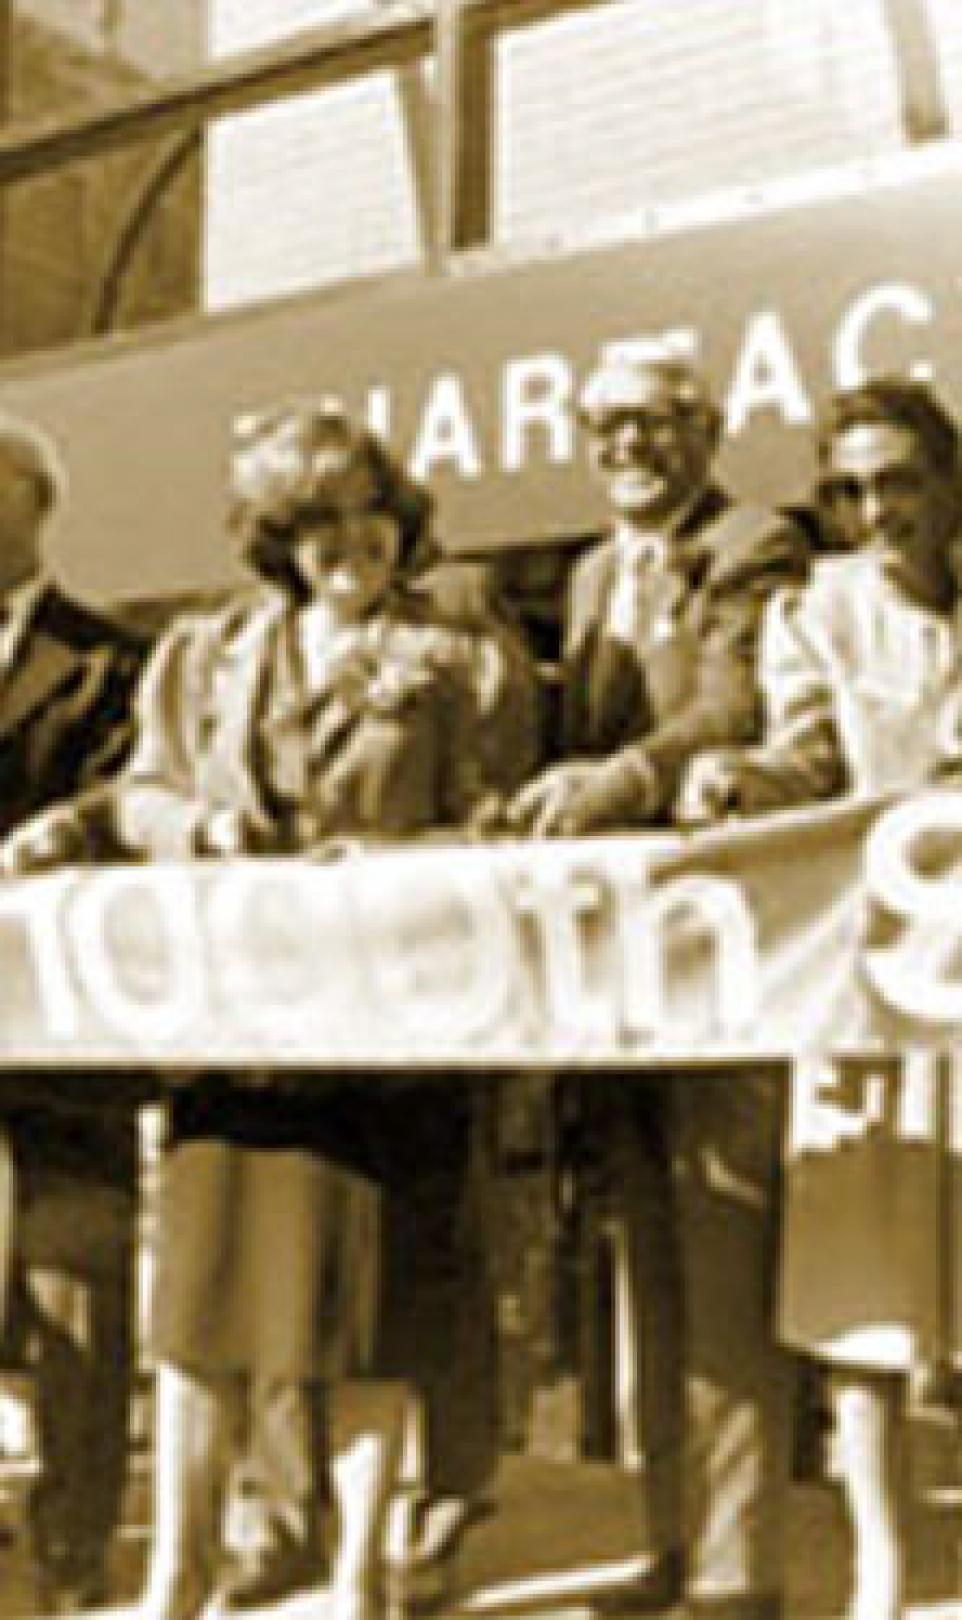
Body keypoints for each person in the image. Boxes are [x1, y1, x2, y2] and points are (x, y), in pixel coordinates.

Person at [7, 397, 536, 1620]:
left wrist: (410, 859)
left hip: (388, 1045)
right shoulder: (207, 653)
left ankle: (357, 1581)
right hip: (234, 1041)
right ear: (276, 540)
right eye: (314, 524)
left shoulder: (464, 654)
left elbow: (502, 825)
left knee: (368, 1333)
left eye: (367, 515)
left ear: (401, 521)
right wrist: (192, 826)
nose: (348, 543)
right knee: (197, 1326)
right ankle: (176, 1575)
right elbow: (141, 790)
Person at [510, 339, 807, 1620]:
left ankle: (739, 1569)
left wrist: (617, 782)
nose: (623, 444)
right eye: (603, 423)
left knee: (722, 1260)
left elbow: (730, 706)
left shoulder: (750, 544)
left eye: (649, 421)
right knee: (645, 1273)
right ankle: (669, 1541)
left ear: (704, 427)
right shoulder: (582, 574)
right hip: (611, 977)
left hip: (725, 962)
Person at [678, 374, 962, 1620]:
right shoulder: (818, 612)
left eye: (895, 480)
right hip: (872, 981)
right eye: (845, 488)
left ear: (946, 482)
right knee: (863, 1291)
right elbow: (802, 756)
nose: (871, 509)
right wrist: (738, 781)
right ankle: (883, 1572)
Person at [0, 414, 145, 1612]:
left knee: (77, 1290)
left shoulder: (111, 661)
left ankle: (75, 1543)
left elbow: (129, 797)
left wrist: (75, 830)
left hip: (65, 1034)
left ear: (34, 500)